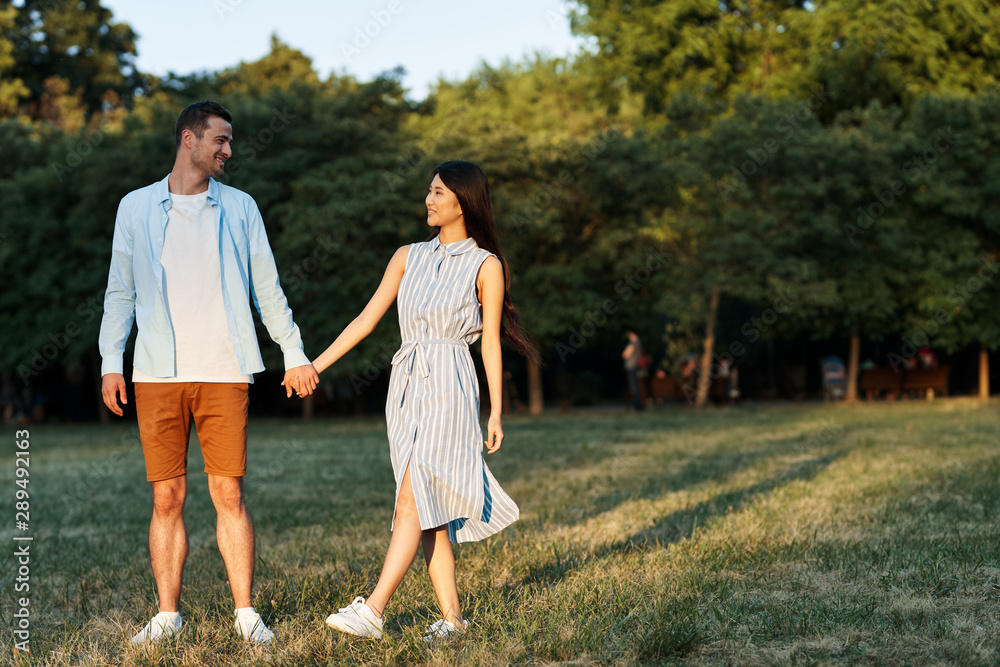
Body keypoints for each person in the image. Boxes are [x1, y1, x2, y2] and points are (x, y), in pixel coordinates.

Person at [98, 100, 318, 645]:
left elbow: (268, 288)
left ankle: (246, 613)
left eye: (231, 141)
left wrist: (294, 352)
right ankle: (168, 616)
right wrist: (111, 362)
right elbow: (119, 292)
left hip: (225, 370)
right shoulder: (136, 207)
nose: (228, 150)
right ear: (188, 139)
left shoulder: (241, 208)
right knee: (165, 498)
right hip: (155, 373)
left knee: (229, 493)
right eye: (220, 140)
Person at [303, 160, 538, 641]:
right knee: (427, 507)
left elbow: (490, 342)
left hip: (451, 384)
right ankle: (454, 620)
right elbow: (366, 320)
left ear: (462, 201)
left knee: (413, 496)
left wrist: (495, 410)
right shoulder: (406, 255)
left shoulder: (485, 265)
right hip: (406, 384)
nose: (428, 200)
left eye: (437, 192)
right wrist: (314, 366)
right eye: (428, 191)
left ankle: (372, 610)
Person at [622, 329, 644, 411]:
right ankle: (638, 405)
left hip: (632, 367)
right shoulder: (639, 343)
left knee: (634, 388)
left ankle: (638, 406)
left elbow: (625, 354)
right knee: (635, 387)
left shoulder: (634, 343)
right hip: (635, 367)